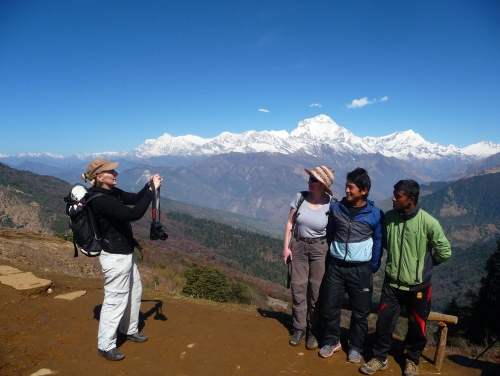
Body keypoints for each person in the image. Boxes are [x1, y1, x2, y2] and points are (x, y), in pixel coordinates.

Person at [359, 179, 452, 376]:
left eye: (397, 196)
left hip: (418, 287)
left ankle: (412, 360)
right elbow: (384, 242)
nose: (393, 198)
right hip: (392, 284)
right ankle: (380, 358)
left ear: (410, 199)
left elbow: (444, 251)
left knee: (418, 327)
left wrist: (426, 265)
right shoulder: (390, 218)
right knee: (384, 324)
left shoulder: (428, 222)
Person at [82, 157, 162, 361]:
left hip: (126, 252)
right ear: (100, 177)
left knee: (134, 292)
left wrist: (147, 186)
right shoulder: (100, 200)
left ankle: (129, 329)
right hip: (115, 257)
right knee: (115, 300)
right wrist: (152, 191)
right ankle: (105, 344)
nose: (116, 174)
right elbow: (134, 213)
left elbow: (135, 198)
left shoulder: (111, 192)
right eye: (111, 172)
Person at [319, 168, 383, 363]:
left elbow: (378, 241)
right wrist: (335, 254)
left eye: (351, 187)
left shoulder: (375, 214)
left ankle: (355, 347)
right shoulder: (337, 209)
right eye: (346, 186)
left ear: (364, 190)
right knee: (330, 306)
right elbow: (330, 233)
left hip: (361, 269)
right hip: (336, 267)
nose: (346, 190)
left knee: (361, 312)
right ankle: (332, 341)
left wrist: (372, 267)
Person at [282, 166, 335, 350]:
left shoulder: (332, 204)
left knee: (316, 292)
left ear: (322, 184)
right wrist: (286, 248)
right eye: (310, 178)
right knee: (298, 288)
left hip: (320, 249)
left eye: (313, 179)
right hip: (298, 245)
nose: (309, 182)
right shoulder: (300, 197)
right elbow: (290, 223)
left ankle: (314, 330)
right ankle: (299, 327)